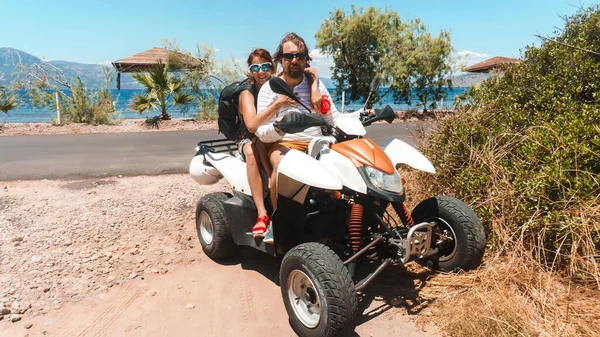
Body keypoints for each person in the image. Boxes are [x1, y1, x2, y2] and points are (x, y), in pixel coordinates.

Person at [255, 33, 340, 225]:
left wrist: (362, 115)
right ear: (281, 59)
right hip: (285, 144)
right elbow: (260, 131)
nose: (294, 60)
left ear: (306, 59)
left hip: (316, 142)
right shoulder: (270, 88)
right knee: (281, 164)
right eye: (289, 56)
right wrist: (278, 128)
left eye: (299, 56)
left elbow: (333, 117)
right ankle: (280, 223)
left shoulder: (315, 85)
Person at [237, 48, 321, 238]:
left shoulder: (279, 81)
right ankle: (263, 214)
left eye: (265, 66)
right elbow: (251, 126)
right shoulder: (247, 93)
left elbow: (311, 71)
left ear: (272, 66)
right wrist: (278, 104)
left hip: (271, 135)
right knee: (253, 149)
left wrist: (314, 85)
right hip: (249, 137)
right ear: (250, 70)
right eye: (255, 67)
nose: (261, 71)